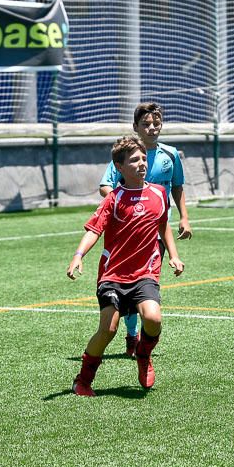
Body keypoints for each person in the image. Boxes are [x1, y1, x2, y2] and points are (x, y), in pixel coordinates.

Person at [69, 135, 185, 397]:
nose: (142, 163)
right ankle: (83, 380)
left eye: (143, 158)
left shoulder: (158, 193)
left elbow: (163, 225)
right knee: (107, 330)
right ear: (119, 167)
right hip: (113, 275)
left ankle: (143, 354)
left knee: (153, 319)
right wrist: (78, 255)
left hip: (145, 272)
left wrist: (173, 255)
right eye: (134, 160)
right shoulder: (113, 199)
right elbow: (93, 230)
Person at [99, 102, 192, 358]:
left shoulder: (170, 154)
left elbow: (178, 186)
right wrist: (128, 201)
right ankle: (132, 335)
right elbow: (106, 186)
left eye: (156, 124)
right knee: (129, 282)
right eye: (146, 124)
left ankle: (142, 336)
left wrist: (184, 217)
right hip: (129, 232)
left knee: (146, 282)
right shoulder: (128, 154)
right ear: (136, 127)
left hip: (158, 232)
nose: (152, 128)